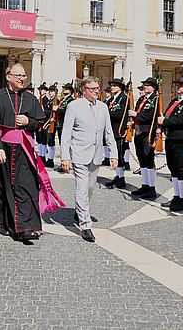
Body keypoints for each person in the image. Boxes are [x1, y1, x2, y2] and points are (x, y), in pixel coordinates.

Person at [0, 63, 47, 244]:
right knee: (5, 186)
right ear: (8, 76)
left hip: (25, 148)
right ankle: (10, 225)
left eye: (24, 76)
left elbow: (40, 124)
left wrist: (29, 121)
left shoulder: (30, 98)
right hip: (4, 148)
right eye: (18, 75)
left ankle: (27, 227)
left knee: (27, 185)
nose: (22, 79)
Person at [60, 76, 117, 242]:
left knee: (90, 187)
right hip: (79, 154)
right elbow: (66, 133)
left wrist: (113, 153)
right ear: (83, 90)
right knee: (82, 188)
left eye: (98, 88)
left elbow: (108, 132)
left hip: (96, 154)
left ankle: (80, 210)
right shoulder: (74, 106)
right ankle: (85, 224)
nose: (96, 91)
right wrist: (65, 157)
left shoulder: (103, 107)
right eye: (92, 89)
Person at [158, 70, 183, 212]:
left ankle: (182, 199)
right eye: (177, 85)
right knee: (172, 168)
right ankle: (176, 195)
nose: (178, 87)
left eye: (181, 85)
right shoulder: (175, 101)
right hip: (171, 137)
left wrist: (165, 121)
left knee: (181, 169)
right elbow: (167, 114)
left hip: (182, 138)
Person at [129, 77, 159, 200]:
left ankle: (151, 188)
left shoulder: (156, 99)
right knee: (141, 158)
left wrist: (137, 115)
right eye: (144, 85)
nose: (145, 87)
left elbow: (152, 115)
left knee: (148, 159)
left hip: (148, 132)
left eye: (148, 85)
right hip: (138, 131)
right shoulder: (142, 99)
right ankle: (145, 185)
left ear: (154, 87)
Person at [105, 78, 130, 189]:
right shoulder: (112, 99)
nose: (112, 87)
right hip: (111, 129)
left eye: (115, 85)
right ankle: (117, 175)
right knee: (114, 154)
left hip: (118, 130)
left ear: (120, 87)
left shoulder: (124, 98)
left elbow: (121, 114)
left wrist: (107, 113)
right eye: (112, 85)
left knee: (119, 154)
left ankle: (121, 178)